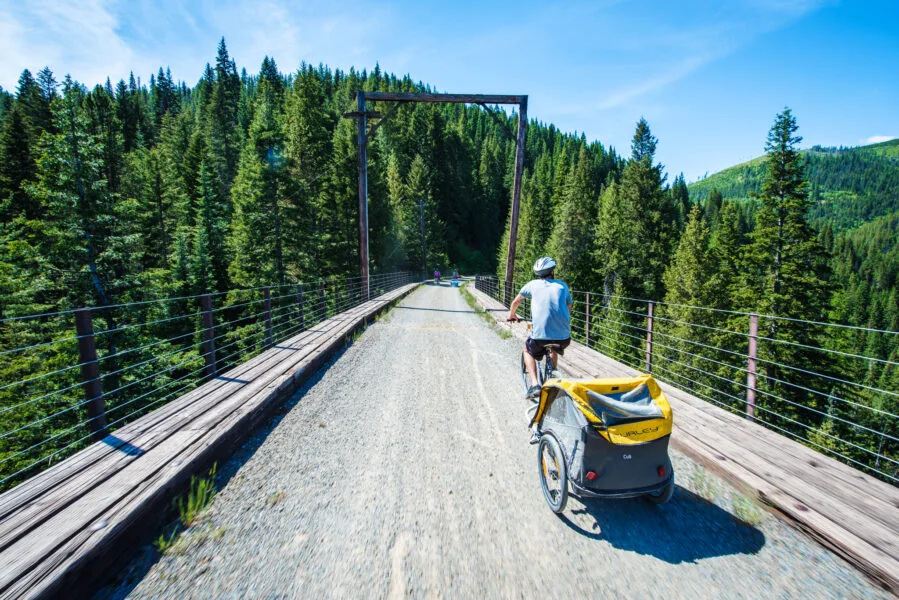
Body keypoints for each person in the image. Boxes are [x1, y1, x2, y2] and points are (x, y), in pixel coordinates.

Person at [507, 257, 572, 398]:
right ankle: (553, 373)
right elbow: (568, 307)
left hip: (540, 337)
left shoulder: (532, 285)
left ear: (538, 273)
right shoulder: (562, 286)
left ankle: (535, 384)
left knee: (527, 349)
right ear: (552, 271)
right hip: (564, 337)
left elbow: (516, 301)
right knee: (554, 346)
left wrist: (512, 315)